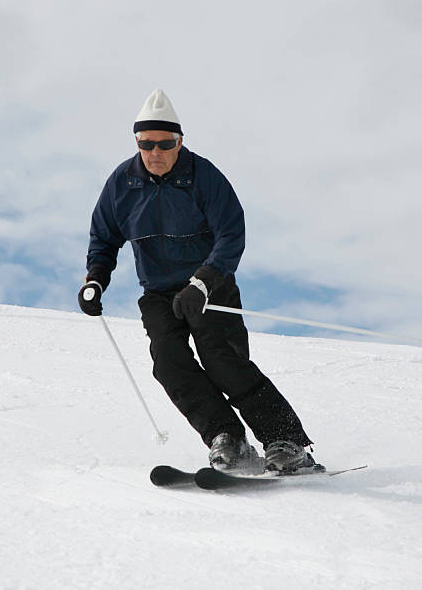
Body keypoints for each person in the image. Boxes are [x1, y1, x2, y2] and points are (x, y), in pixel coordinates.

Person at [78, 89, 319, 473]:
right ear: (137, 142)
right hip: (158, 292)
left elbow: (231, 234)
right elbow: (103, 238)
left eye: (165, 143)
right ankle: (228, 438)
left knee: (224, 362)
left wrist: (203, 282)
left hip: (210, 287)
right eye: (146, 143)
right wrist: (96, 280)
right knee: (169, 364)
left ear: (179, 141)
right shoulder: (122, 185)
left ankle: (285, 440)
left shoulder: (203, 177)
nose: (155, 151)